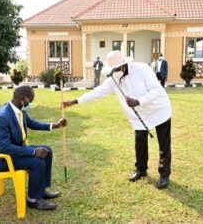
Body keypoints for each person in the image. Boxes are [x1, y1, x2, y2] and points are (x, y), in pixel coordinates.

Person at [63, 50, 172, 189]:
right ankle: (141, 169)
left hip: (159, 109)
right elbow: (98, 92)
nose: (115, 70)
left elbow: (156, 90)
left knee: (164, 144)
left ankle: (164, 175)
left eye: (117, 67)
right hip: (139, 116)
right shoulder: (114, 78)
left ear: (124, 64)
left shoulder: (143, 69)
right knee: (140, 141)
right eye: (113, 68)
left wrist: (138, 101)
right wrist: (75, 101)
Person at [0, 85, 67, 211]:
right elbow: (4, 147)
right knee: (37, 161)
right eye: (31, 100)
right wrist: (33, 151)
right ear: (23, 99)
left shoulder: (19, 110)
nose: (31, 103)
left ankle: (41, 191)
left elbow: (32, 123)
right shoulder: (2, 117)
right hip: (2, 159)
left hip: (14, 151)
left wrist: (55, 125)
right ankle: (33, 199)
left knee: (47, 151)